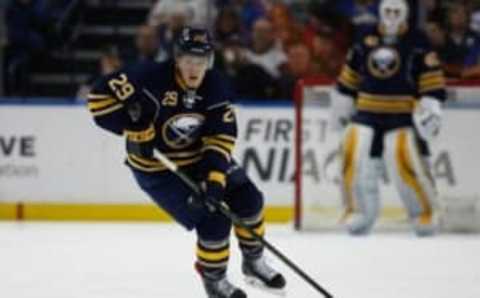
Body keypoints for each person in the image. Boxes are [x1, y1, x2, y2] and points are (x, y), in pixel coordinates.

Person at [86, 27, 286, 298]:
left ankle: (254, 263)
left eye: (201, 62)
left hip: (200, 158)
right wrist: (133, 128)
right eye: (189, 61)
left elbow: (220, 137)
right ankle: (214, 281)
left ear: (210, 61)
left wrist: (214, 180)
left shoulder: (216, 85)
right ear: (177, 59)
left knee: (249, 199)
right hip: (158, 169)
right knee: (213, 220)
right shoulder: (149, 76)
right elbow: (98, 98)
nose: (194, 69)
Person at [333, 0, 446, 236]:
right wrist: (341, 108)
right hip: (365, 112)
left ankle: (424, 213)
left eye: (397, 12)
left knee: (403, 158)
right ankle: (357, 211)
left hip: (402, 115)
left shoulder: (417, 41)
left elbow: (431, 80)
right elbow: (349, 78)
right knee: (353, 155)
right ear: (380, 12)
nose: (392, 16)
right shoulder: (365, 38)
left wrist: (431, 106)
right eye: (388, 11)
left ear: (405, 13)